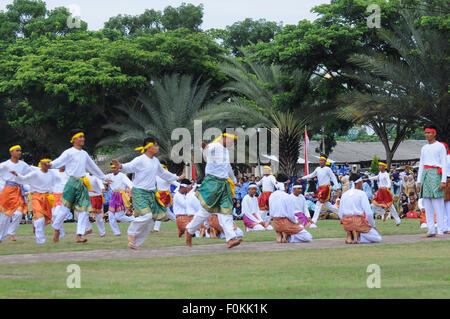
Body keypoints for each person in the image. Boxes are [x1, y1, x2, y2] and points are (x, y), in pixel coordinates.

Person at [112, 137, 184, 250]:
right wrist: (120, 166)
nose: (158, 147)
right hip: (139, 192)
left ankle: (134, 243)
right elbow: (129, 167)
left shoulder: (155, 161)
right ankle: (131, 233)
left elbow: (163, 173)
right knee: (146, 216)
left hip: (151, 193)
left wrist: (177, 177)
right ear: (149, 147)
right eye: (156, 145)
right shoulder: (140, 159)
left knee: (150, 219)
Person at [184, 131, 242, 249]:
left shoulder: (225, 151)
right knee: (205, 212)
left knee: (227, 211)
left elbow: (228, 167)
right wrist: (204, 147)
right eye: (232, 140)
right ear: (225, 137)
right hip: (212, 183)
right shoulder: (215, 146)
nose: (232, 143)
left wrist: (235, 181)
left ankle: (230, 239)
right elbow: (206, 151)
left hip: (224, 184)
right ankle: (189, 230)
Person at [11, 158, 56, 244]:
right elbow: (24, 178)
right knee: (40, 219)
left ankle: (35, 224)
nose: (48, 165)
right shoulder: (35, 172)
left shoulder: (52, 173)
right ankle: (40, 240)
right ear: (41, 164)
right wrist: (17, 174)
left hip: (47, 198)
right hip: (37, 197)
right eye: (46, 163)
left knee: (46, 220)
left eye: (49, 163)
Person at [416, 125, 447, 237]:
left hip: (436, 173)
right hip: (426, 174)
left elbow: (444, 164)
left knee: (438, 203)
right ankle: (430, 230)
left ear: (434, 134)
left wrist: (443, 180)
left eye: (429, 132)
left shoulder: (440, 146)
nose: (427, 135)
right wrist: (418, 181)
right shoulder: (424, 148)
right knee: (427, 203)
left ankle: (440, 230)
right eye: (426, 133)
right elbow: (421, 165)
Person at [0, 145, 33, 242]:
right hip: (7, 191)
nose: (19, 152)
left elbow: (31, 174)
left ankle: (11, 233)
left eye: (20, 151)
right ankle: (1, 237)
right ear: (11, 152)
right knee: (4, 216)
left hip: (18, 191)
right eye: (17, 151)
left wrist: (29, 189)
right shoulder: (4, 165)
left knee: (18, 214)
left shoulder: (23, 165)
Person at [338, 173, 382, 244]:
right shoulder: (362, 194)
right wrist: (373, 226)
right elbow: (369, 213)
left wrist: (346, 222)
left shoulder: (344, 194)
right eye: (361, 182)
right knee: (378, 237)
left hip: (346, 222)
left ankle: (351, 233)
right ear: (358, 183)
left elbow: (340, 213)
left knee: (353, 226)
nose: (362, 183)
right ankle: (357, 236)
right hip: (358, 221)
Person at [269, 173, 312, 243]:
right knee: (308, 237)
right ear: (286, 185)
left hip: (275, 223)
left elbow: (271, 213)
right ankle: (288, 236)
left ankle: (280, 233)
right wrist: (296, 222)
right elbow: (290, 215)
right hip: (285, 222)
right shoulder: (287, 196)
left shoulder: (272, 195)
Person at [299, 155, 338, 228]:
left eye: (322, 160)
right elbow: (311, 175)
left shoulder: (328, 169)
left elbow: (333, 177)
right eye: (320, 160)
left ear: (325, 162)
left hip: (325, 188)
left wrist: (337, 187)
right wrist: (303, 178)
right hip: (320, 189)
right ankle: (341, 213)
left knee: (318, 204)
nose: (321, 162)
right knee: (328, 205)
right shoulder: (317, 169)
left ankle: (313, 221)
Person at [104, 163, 134, 236]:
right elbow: (101, 178)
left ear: (118, 168)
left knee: (118, 216)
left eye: (115, 168)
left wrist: (133, 190)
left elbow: (129, 183)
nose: (113, 169)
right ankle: (116, 232)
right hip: (113, 196)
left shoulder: (122, 176)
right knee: (111, 216)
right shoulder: (109, 176)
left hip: (120, 196)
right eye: (112, 168)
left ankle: (135, 219)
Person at [368, 161, 401, 226]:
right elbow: (377, 177)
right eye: (379, 165)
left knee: (390, 207)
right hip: (380, 192)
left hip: (385, 192)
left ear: (384, 166)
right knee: (374, 205)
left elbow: (389, 182)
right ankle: (383, 213)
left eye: (380, 165)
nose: (379, 167)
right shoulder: (380, 173)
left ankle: (398, 221)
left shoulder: (386, 174)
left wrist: (387, 187)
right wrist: (369, 178)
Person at [152, 164, 179, 233]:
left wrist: (177, 192)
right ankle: (179, 222)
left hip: (165, 196)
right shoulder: (157, 176)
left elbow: (177, 184)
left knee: (161, 211)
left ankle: (156, 229)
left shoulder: (167, 178)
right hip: (159, 195)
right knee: (167, 212)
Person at [85, 173, 106, 237]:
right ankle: (88, 229)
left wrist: (102, 188)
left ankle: (102, 233)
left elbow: (100, 182)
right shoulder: (85, 175)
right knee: (83, 213)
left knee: (98, 216)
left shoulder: (97, 176)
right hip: (88, 197)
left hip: (97, 197)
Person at [441, 142, 450, 234]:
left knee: (443, 205)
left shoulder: (445, 159)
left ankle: (445, 227)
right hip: (446, 181)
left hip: (445, 181)